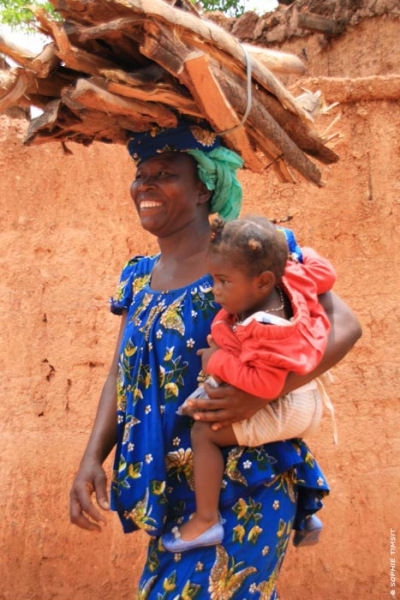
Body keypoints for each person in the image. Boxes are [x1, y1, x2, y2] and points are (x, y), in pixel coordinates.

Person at [69, 119, 361, 599]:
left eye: (165, 173)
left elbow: (345, 325)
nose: (145, 184)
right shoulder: (138, 279)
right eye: (141, 173)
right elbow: (122, 375)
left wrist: (259, 394)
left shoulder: (249, 252)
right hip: (173, 495)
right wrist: (90, 460)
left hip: (248, 480)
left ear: (205, 187)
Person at [161, 215, 336, 553]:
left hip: (288, 402)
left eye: (223, 281)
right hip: (303, 393)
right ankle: (306, 509)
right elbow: (325, 273)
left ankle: (206, 520)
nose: (215, 290)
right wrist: (300, 254)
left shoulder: (264, 327)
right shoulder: (292, 276)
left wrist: (216, 360)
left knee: (204, 433)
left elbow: (265, 385)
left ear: (262, 281)